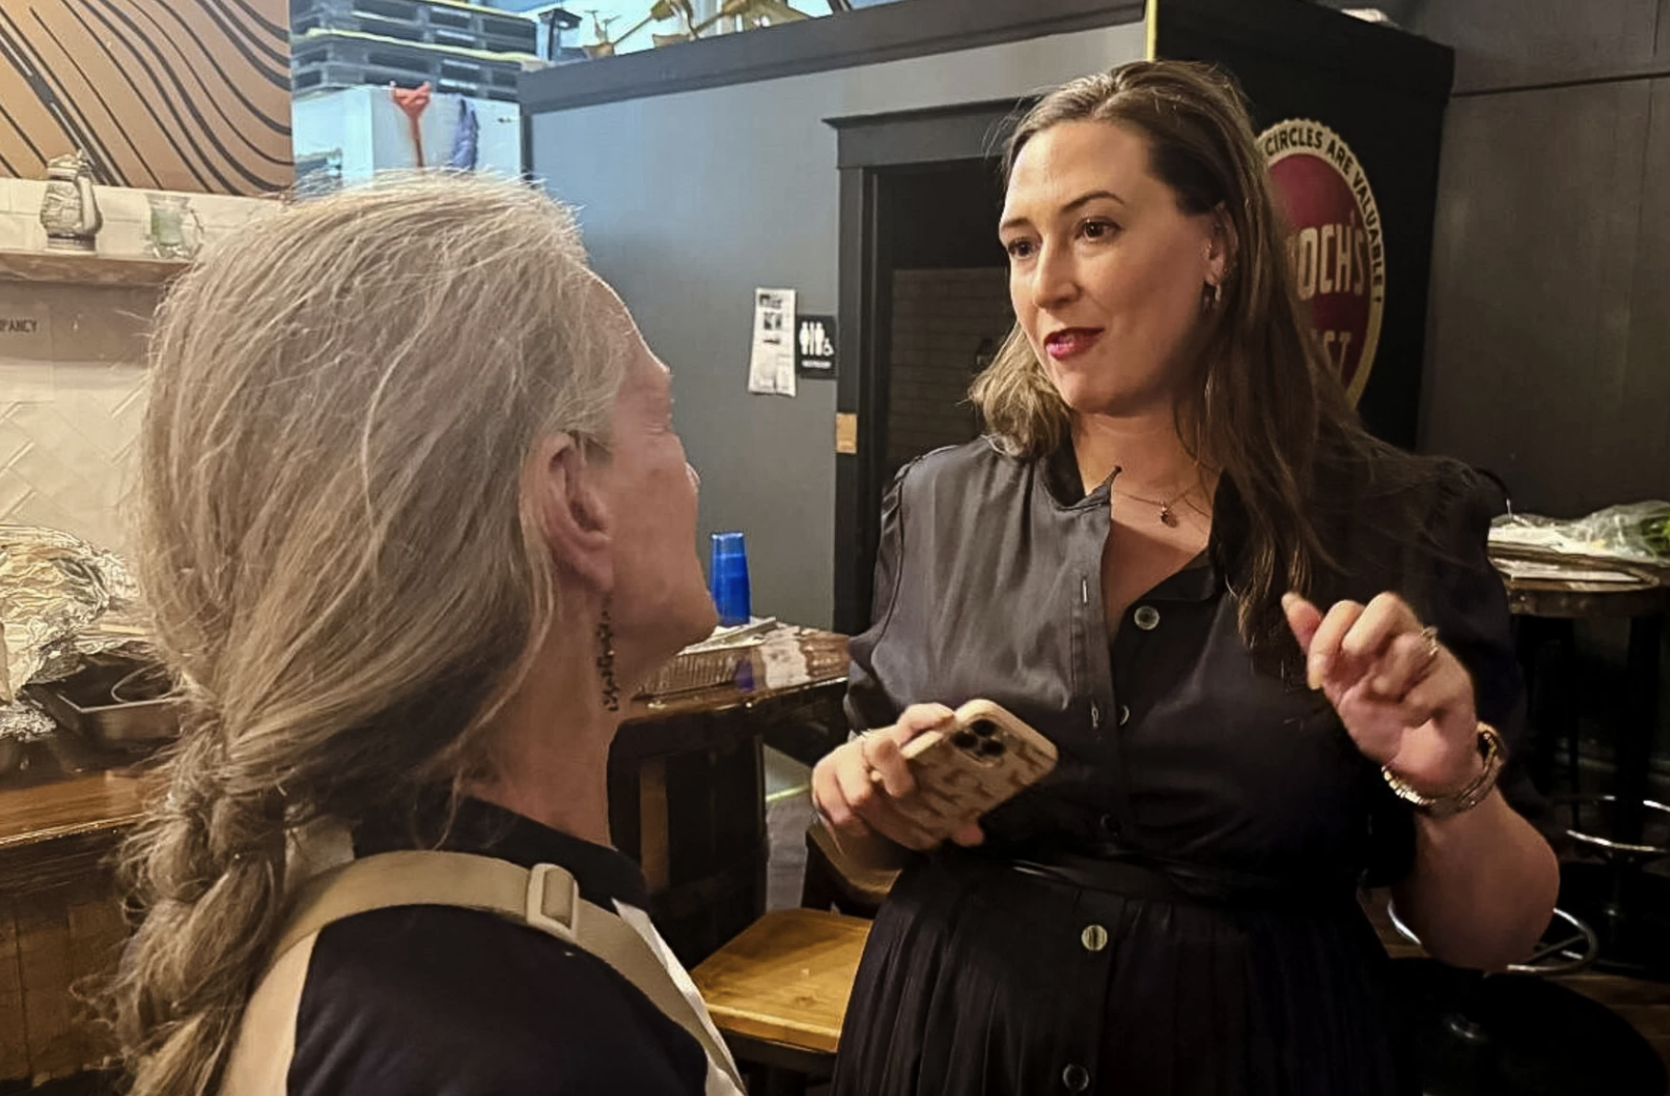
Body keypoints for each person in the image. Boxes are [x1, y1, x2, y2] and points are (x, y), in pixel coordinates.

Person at [812, 61, 1559, 1096]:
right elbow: (866, 855)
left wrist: (1445, 786)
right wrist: (855, 798)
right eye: (1021, 245)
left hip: (1259, 1052)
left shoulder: (1396, 523)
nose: (1046, 283)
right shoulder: (938, 505)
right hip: (952, 1044)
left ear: (1218, 243)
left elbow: (1487, 935)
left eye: (1095, 229)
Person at [100, 175, 742, 1096]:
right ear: (572, 496)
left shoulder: (364, 915)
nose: (689, 471)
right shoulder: (514, 1048)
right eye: (663, 421)